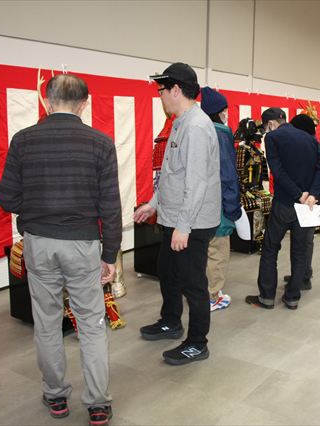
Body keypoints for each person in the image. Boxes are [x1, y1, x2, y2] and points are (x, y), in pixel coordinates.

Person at [0, 74, 120, 426]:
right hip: (82, 244)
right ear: (84, 104)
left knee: (47, 323)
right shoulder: (100, 143)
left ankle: (55, 396)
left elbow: (6, 198)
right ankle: (97, 404)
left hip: (39, 242)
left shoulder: (23, 140)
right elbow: (110, 206)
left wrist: (36, 208)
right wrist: (110, 255)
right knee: (91, 324)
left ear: (47, 101)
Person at [134, 63, 220, 365]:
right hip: (174, 217)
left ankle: (197, 343)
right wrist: (153, 204)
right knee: (168, 272)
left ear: (175, 90)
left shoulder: (196, 127)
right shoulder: (180, 122)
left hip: (191, 222)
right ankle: (171, 321)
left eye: (161, 90)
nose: (159, 96)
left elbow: (196, 183)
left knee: (192, 283)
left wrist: (184, 227)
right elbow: (172, 175)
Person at [245, 108, 320, 310]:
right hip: (307, 206)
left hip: (285, 203)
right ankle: (292, 297)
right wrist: (312, 194)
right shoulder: (310, 139)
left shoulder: (273, 138)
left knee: (270, 249)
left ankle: (267, 296)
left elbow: (278, 172)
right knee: (300, 251)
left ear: (271, 124)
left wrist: (298, 194)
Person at [199, 86, 242, 312]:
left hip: (198, 204)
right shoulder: (222, 133)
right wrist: (233, 207)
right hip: (218, 204)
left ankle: (200, 292)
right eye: (225, 110)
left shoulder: (196, 129)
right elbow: (227, 174)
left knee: (202, 251)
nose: (227, 114)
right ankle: (212, 295)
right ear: (219, 111)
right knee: (217, 251)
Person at [282, 113, 320, 291]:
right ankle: (300, 273)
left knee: (304, 241)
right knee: (302, 239)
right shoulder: (312, 144)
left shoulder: (311, 145)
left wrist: (312, 195)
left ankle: (303, 277)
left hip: (309, 201)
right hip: (307, 199)